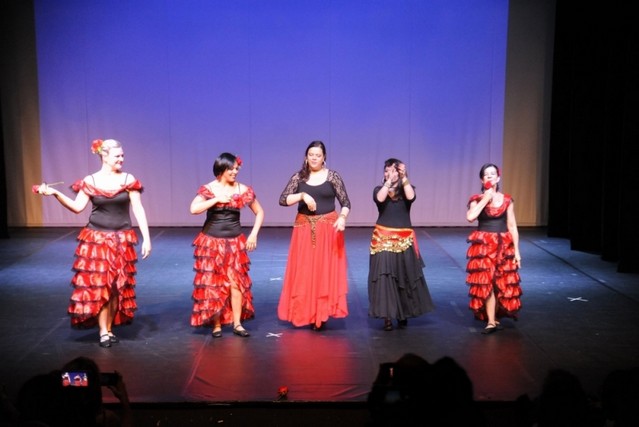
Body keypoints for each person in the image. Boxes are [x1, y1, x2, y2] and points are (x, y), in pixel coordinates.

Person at [34, 139, 151, 347]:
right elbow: (77, 207)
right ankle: (104, 331)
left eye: (123, 155)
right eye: (117, 156)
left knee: (117, 287)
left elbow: (138, 209)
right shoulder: (91, 181)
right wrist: (55, 194)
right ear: (104, 156)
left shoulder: (128, 178)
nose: (121, 159)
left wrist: (146, 237)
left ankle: (109, 327)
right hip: (97, 239)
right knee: (102, 285)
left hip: (122, 238)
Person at [277, 141, 350, 331]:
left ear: (324, 157)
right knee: (305, 271)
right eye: (311, 154)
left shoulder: (332, 176)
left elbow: (346, 202)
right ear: (306, 157)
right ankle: (305, 312)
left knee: (324, 272)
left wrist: (342, 217)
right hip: (303, 229)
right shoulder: (299, 177)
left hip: (328, 229)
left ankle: (321, 314)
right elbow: (283, 200)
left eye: (318, 155)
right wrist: (302, 196)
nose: (314, 158)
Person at [189, 152, 264, 338]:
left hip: (234, 242)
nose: (235, 171)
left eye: (237, 168)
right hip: (211, 242)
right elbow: (193, 209)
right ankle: (217, 324)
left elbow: (260, 212)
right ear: (222, 169)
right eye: (232, 168)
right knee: (214, 284)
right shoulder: (209, 188)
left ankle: (237, 324)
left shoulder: (242, 189)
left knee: (235, 283)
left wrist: (253, 234)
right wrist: (215, 200)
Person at [368, 158, 434, 331]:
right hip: (383, 238)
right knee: (385, 277)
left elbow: (411, 196)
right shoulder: (378, 189)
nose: (391, 173)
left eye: (395, 170)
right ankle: (387, 316)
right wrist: (388, 182)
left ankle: (402, 312)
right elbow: (381, 198)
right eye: (387, 170)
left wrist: (404, 177)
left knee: (403, 277)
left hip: (404, 239)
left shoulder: (407, 190)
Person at [465, 163, 522, 334]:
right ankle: (490, 321)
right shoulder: (476, 198)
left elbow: (512, 226)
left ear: (498, 178)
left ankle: (495, 316)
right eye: (486, 174)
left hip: (504, 245)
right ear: (482, 179)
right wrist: (485, 198)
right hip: (484, 246)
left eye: (492, 174)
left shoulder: (506, 200)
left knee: (500, 283)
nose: (489, 176)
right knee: (487, 281)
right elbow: (470, 217)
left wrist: (517, 251)